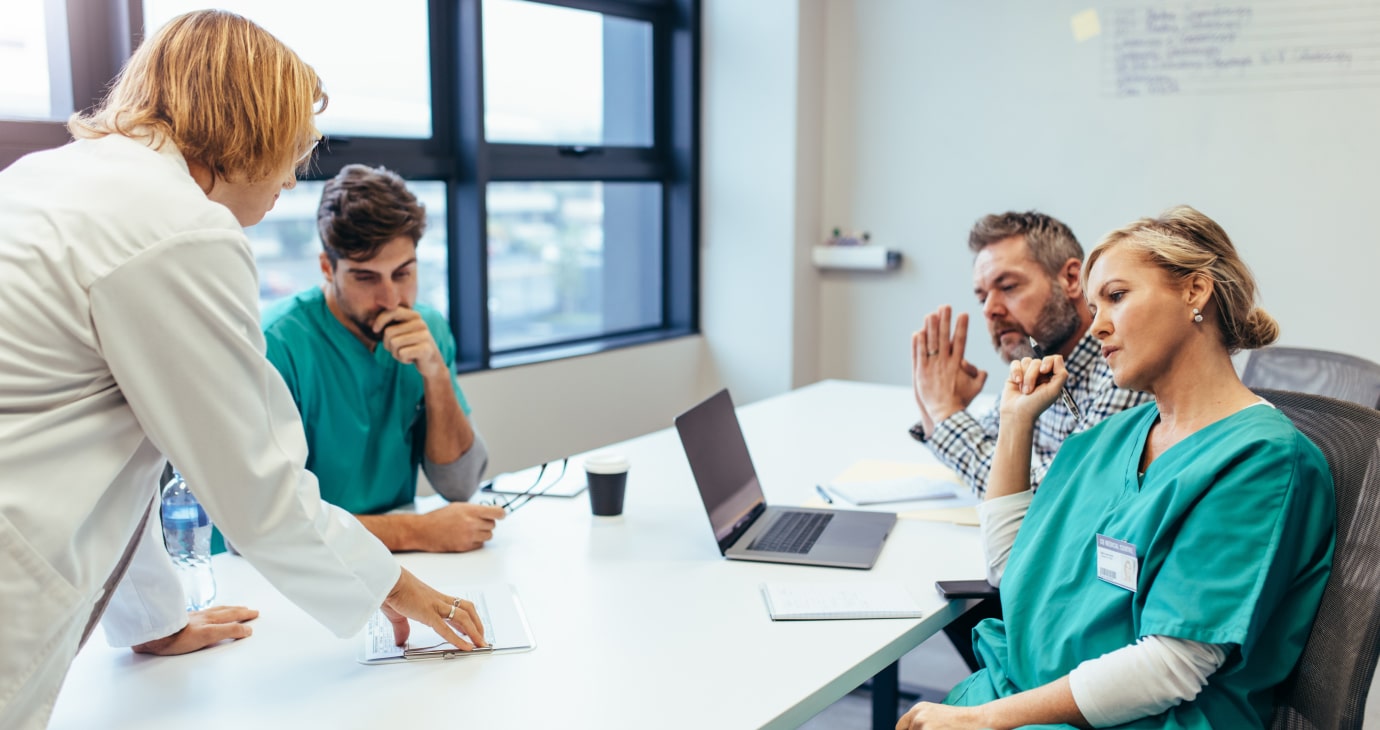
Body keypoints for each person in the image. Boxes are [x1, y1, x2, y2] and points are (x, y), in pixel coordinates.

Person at [0, 12, 482, 728]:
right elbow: (256, 486)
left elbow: (118, 452)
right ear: (250, 126)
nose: (291, 177)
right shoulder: (177, 228)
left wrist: (151, 622)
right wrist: (401, 586)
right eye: (294, 148)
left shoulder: (58, 179)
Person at [898, 206, 1336, 729]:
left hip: (1140, 718)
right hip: (1029, 689)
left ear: (1195, 293)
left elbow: (1173, 667)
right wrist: (1016, 423)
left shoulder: (1260, 461)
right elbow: (1015, 572)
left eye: (1117, 297)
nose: (1098, 326)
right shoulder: (1112, 438)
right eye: (1092, 304)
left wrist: (989, 719)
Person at [255, 164, 504, 553]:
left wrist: (435, 374)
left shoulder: (429, 328)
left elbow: (460, 485)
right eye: (366, 278)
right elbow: (266, 523)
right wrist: (416, 531)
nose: (391, 299)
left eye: (403, 273)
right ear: (327, 268)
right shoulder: (276, 343)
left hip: (389, 562)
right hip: (287, 571)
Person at [910, 211, 1151, 493]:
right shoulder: (1038, 361)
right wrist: (936, 401)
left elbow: (1048, 493)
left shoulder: (1122, 369)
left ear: (1072, 279)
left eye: (1008, 287)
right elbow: (988, 444)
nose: (990, 309)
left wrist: (944, 411)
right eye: (982, 297)